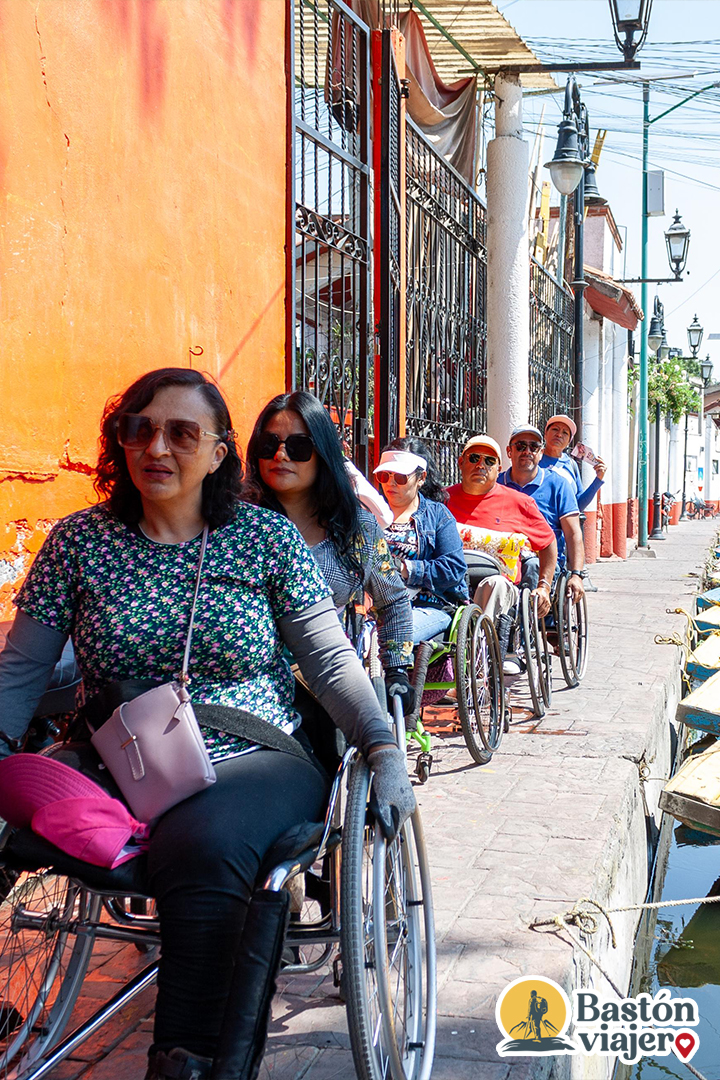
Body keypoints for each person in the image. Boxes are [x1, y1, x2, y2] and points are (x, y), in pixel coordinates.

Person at [0, 368, 415, 1080]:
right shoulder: (78, 544)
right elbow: (22, 671)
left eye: (181, 433)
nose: (156, 446)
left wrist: (382, 743)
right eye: (140, 428)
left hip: (251, 751)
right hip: (118, 751)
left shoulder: (264, 541)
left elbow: (329, 660)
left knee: (204, 839)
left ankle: (192, 1062)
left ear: (220, 452)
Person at [246, 391, 415, 710]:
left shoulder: (357, 527)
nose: (280, 455)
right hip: (248, 683)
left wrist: (396, 670)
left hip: (326, 684)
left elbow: (392, 599)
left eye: (298, 446)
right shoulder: (236, 523)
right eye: (269, 444)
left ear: (322, 452)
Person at [445, 435, 557, 670]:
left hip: (499, 588)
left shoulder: (519, 503)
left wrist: (544, 587)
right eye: (474, 458)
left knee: (495, 584)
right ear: (461, 462)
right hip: (451, 582)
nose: (481, 466)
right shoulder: (442, 500)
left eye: (489, 461)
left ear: (498, 468)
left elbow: (547, 543)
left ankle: (479, 659)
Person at [373, 437, 469, 644]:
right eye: (384, 475)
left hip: (426, 606)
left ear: (421, 478)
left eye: (400, 477)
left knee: (391, 633)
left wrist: (405, 568)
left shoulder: (437, 516)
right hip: (374, 605)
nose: (390, 483)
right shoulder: (368, 513)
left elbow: (454, 569)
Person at [498, 424, 585, 604]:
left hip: (543, 561)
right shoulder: (497, 484)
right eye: (520, 446)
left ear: (541, 452)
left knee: (532, 566)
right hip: (502, 556)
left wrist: (576, 574)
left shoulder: (558, 485)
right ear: (509, 451)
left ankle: (525, 625)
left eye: (534, 447)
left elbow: (573, 533)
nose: (527, 451)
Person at [540, 414, 605, 511]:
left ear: (569, 442)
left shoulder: (571, 464)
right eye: (555, 429)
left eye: (565, 433)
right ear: (545, 434)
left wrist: (598, 479)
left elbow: (578, 505)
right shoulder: (534, 460)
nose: (559, 435)